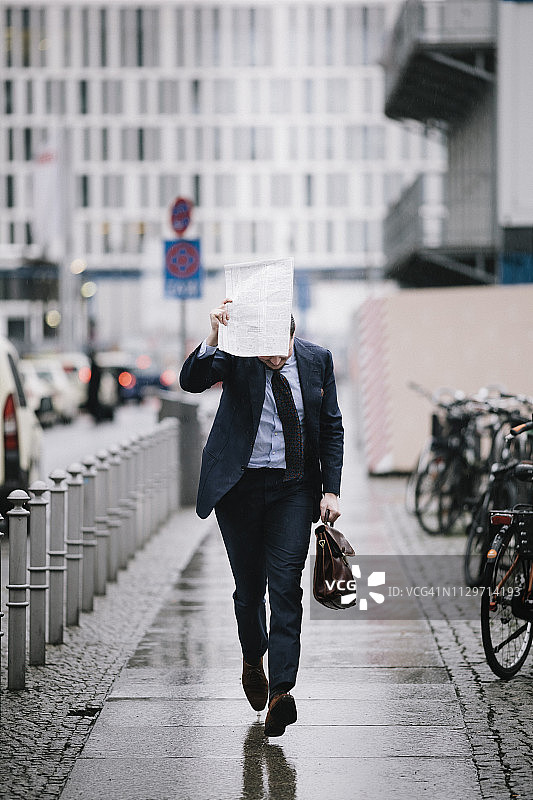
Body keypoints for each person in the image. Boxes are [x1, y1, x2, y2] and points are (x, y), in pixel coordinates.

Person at [179, 299, 343, 737]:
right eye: (264, 350)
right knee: (249, 590)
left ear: (292, 335)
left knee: (286, 586)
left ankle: (281, 693)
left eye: (279, 349)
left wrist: (331, 489)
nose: (273, 358)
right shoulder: (238, 356)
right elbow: (191, 382)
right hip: (240, 489)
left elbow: (331, 426)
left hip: (293, 488)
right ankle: (254, 659)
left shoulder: (317, 359)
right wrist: (214, 335)